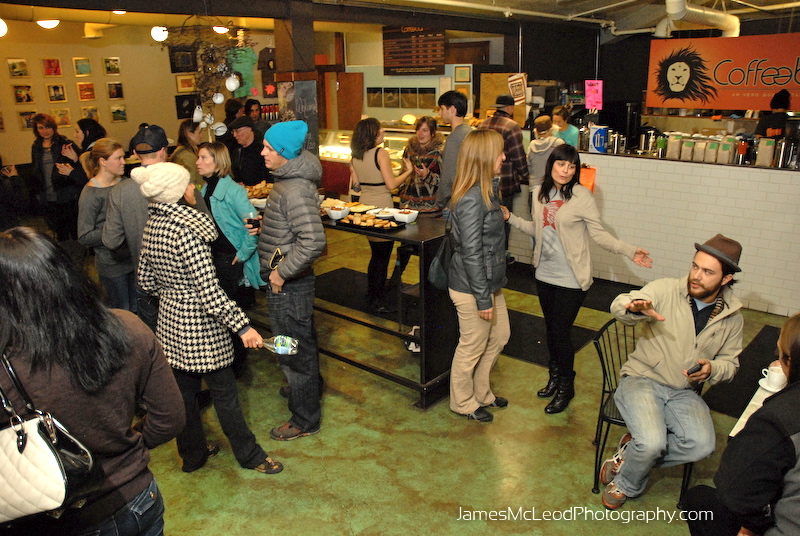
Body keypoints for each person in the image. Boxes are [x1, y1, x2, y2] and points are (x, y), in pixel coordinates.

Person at [0, 226, 184, 536]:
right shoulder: (128, 327)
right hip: (139, 500)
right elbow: (170, 418)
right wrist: (125, 448)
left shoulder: (7, 364)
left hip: (62, 519)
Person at [134, 162, 283, 475]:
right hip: (202, 328)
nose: (193, 187)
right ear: (176, 192)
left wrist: (173, 295)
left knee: (184, 397)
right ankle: (250, 455)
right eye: (188, 184)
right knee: (225, 394)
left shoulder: (152, 226)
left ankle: (193, 456)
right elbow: (210, 293)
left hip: (170, 325)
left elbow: (145, 282)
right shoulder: (188, 232)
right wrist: (243, 327)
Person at [502, 144, 652, 414]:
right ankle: (554, 377)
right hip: (544, 274)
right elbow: (537, 229)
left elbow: (599, 235)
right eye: (561, 164)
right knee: (551, 331)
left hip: (571, 278)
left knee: (561, 333)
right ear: (552, 165)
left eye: (572, 166)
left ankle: (566, 386)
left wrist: (629, 251)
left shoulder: (582, 196)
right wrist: (510, 218)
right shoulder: (539, 193)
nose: (566, 171)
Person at [599, 234, 744, 510]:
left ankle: (629, 456)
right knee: (651, 443)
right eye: (695, 266)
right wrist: (633, 307)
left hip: (683, 392)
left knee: (702, 446)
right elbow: (622, 303)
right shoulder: (666, 289)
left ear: (726, 279)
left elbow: (731, 364)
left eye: (708, 272)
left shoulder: (732, 317)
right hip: (642, 379)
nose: (696, 276)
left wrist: (713, 368)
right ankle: (627, 483)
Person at [684, 312, 800, 536]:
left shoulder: (776, 421)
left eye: (780, 351)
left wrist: (750, 529)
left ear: (789, 360)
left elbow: (737, 493)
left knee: (699, 499)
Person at [103, 124, 209, 333]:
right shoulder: (180, 182)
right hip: (185, 286)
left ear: (135, 154)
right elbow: (206, 225)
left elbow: (111, 240)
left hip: (145, 282)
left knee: (154, 339)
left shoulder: (120, 190)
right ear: (164, 152)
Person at [258, 120, 327, 441]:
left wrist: (280, 272)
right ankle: (306, 390)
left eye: (269, 148)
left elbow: (313, 241)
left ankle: (304, 418)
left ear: (284, 153)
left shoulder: (294, 189)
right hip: (289, 284)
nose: (263, 152)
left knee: (292, 350)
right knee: (300, 343)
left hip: (289, 285)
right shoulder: (288, 181)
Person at [447, 129, 511, 423]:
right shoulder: (473, 198)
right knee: (472, 346)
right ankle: (462, 402)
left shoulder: (487, 191)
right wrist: (483, 299)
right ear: (485, 157)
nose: (504, 157)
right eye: (499, 152)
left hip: (488, 282)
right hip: (472, 287)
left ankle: (482, 392)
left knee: (500, 336)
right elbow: (471, 252)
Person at [198, 141, 264, 374]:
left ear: (218, 161)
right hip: (214, 258)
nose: (198, 162)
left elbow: (253, 224)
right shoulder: (205, 189)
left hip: (229, 260)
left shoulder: (233, 190)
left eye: (204, 158)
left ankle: (237, 363)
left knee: (231, 312)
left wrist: (243, 254)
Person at [348, 118, 406, 313]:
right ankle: (377, 299)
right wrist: (408, 172)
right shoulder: (381, 153)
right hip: (382, 207)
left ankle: (372, 294)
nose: (383, 131)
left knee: (376, 255)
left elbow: (356, 186)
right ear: (372, 133)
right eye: (379, 129)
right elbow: (391, 184)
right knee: (382, 256)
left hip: (365, 205)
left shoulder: (356, 155)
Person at [77, 138, 136, 312]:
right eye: (118, 158)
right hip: (112, 264)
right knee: (122, 312)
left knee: (139, 309)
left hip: (132, 258)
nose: (124, 162)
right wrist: (115, 229)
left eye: (123, 157)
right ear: (103, 161)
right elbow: (84, 236)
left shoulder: (125, 183)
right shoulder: (91, 193)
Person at [479, 94, 529, 264]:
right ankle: (501, 259)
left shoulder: (483, 124)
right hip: (505, 183)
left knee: (485, 222)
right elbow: (518, 156)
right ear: (510, 108)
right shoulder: (512, 126)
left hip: (483, 181)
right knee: (502, 221)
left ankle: (487, 258)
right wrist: (525, 175)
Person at [29, 113, 80, 241]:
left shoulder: (64, 143)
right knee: (58, 230)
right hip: (47, 193)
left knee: (74, 228)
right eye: (40, 128)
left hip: (66, 191)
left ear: (53, 127)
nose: (44, 131)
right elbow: (35, 169)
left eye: (47, 127)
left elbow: (79, 164)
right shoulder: (36, 146)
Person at [436, 90, 472, 218]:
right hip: (470, 200)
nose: (439, 113)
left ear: (452, 110)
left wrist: (440, 202)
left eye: (442, 109)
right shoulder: (470, 132)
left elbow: (449, 176)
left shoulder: (454, 138)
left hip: (455, 204)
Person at [396, 116, 443, 215]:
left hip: (430, 209)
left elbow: (445, 182)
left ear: (433, 133)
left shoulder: (439, 153)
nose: (420, 133)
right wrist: (402, 190)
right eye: (418, 129)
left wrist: (428, 176)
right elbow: (402, 174)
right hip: (407, 207)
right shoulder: (409, 150)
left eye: (425, 130)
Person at [57, 118, 107, 190]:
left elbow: (91, 178)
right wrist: (76, 159)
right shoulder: (95, 147)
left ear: (87, 133)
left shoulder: (95, 151)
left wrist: (71, 172)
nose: (74, 135)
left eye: (77, 132)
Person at [229, 115, 271, 186]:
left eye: (237, 131)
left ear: (249, 129)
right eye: (233, 132)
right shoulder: (236, 152)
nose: (234, 135)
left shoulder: (263, 150)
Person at [527, 115, 565, 186]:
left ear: (536, 132)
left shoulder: (531, 146)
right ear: (552, 129)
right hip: (553, 185)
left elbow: (529, 169)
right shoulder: (559, 143)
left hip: (534, 185)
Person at [170, 119, 204, 188]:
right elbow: (191, 185)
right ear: (190, 134)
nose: (201, 136)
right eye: (199, 133)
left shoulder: (182, 153)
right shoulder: (188, 157)